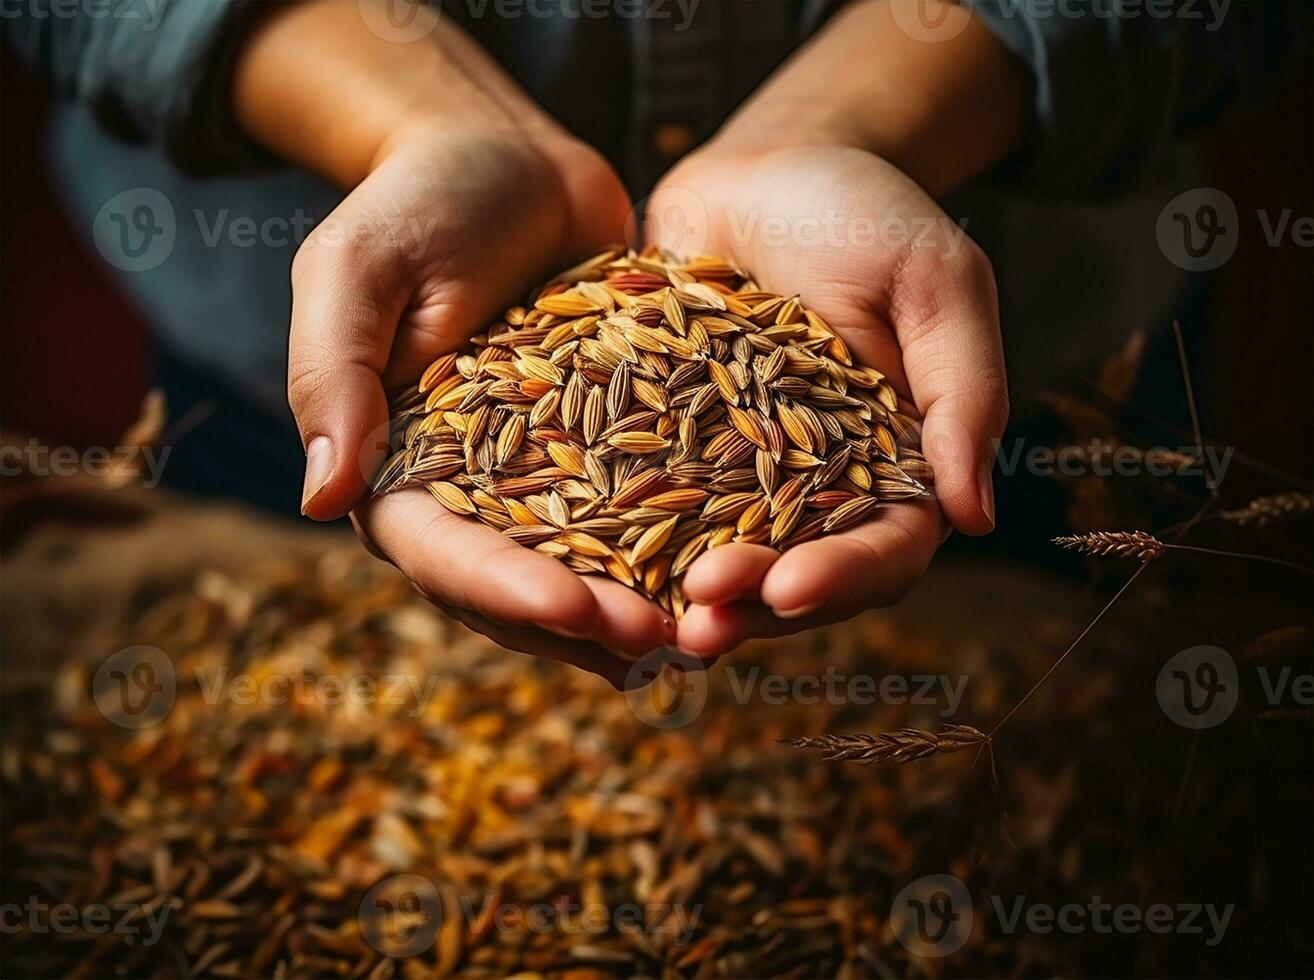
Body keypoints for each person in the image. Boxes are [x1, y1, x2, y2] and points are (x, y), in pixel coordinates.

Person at [3, 0, 1299, 683]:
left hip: (1012, 354)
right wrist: (401, 116)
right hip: (295, 354)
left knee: (1053, 748)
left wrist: (865, 117)